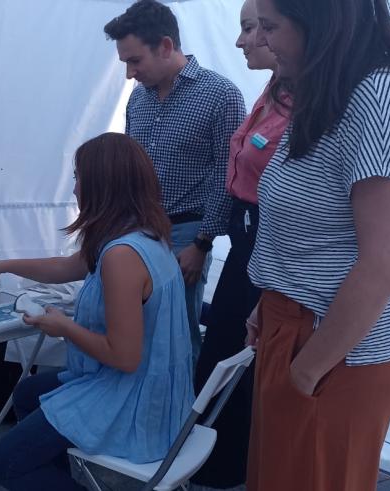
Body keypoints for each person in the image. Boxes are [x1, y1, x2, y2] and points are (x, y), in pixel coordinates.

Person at [245, 0, 390, 488]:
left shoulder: (384, 95)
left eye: (270, 26)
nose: (261, 41)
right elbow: (309, 218)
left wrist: (306, 372)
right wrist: (270, 302)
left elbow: (385, 262)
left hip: (335, 349)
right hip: (299, 331)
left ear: (323, 23)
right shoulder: (325, 91)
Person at [0, 133, 194, 490]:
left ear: (103, 185)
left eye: (79, 177)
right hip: (160, 390)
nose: (75, 189)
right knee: (28, 393)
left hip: (133, 399)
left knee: (5, 463)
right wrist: (4, 265)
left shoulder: (122, 256)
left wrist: (63, 327)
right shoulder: (143, 233)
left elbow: (123, 357)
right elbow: (68, 267)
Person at [104, 0, 246, 360]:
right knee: (135, 325)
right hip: (137, 230)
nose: (129, 73)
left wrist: (202, 243)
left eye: (134, 61)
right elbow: (131, 168)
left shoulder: (221, 95)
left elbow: (226, 175)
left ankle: (179, 413)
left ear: (166, 46)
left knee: (176, 331)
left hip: (186, 235)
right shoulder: (139, 99)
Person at [189, 0, 290, 488]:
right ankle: (212, 463)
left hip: (267, 239)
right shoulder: (273, 89)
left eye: (256, 27)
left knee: (241, 357)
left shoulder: (313, 102)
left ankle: (229, 467)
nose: (241, 40)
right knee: (220, 353)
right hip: (244, 233)